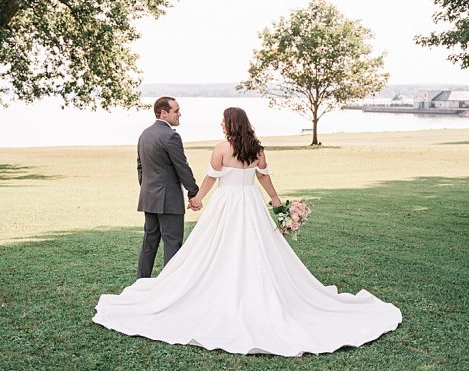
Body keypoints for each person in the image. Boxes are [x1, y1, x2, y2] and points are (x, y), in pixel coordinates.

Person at [95, 107, 401, 356]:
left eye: (222, 121)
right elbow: (266, 182)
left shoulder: (220, 149)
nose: (220, 125)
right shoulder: (257, 149)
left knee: (216, 249)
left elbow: (211, 179)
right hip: (251, 203)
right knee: (258, 248)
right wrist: (280, 207)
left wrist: (198, 199)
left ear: (229, 124)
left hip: (227, 205)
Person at [135, 96, 200, 279]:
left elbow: (140, 167)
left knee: (150, 241)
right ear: (164, 113)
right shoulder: (171, 136)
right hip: (168, 199)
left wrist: (149, 189)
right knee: (173, 242)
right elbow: (182, 167)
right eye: (176, 111)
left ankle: (141, 281)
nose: (179, 114)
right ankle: (169, 287)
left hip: (149, 197)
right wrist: (193, 192)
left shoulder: (144, 134)